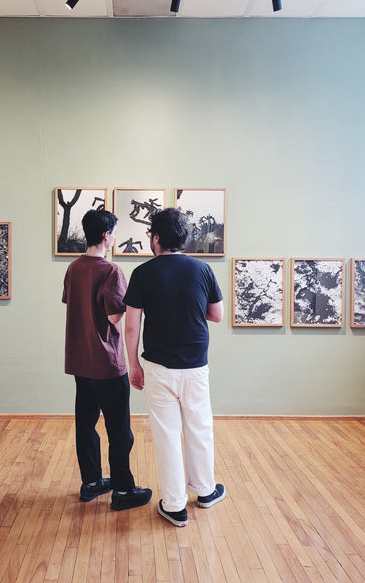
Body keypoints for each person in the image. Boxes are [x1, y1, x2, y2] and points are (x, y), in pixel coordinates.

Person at [123, 208, 225, 527]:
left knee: (167, 434)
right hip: (195, 365)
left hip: (158, 366)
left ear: (156, 238)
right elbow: (217, 315)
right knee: (199, 427)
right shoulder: (203, 269)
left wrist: (133, 365)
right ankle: (205, 491)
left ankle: (174, 505)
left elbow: (131, 326)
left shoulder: (142, 273)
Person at [62, 209, 152, 511]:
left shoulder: (73, 268)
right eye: (113, 233)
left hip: (80, 360)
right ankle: (123, 489)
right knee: (119, 429)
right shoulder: (111, 271)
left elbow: (74, 304)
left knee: (86, 425)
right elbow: (114, 317)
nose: (114, 238)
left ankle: (91, 483)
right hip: (107, 363)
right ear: (106, 235)